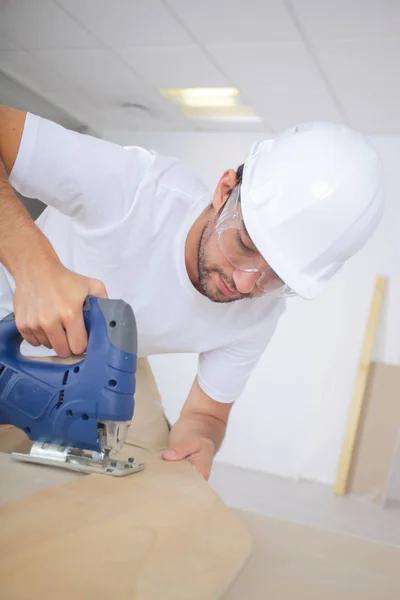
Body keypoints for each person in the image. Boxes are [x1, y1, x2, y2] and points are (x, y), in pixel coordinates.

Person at [0, 106, 384, 479]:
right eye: (246, 245)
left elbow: (208, 415)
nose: (246, 284)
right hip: (9, 318)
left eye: (276, 276)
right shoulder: (133, 187)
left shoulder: (262, 309)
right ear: (224, 190)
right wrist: (33, 267)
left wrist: (201, 440)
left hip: (108, 357)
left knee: (145, 478)